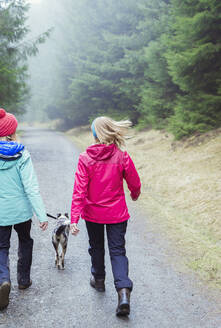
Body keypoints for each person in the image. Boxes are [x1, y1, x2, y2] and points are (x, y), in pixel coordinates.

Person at [70, 116, 141, 316]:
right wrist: (134, 195)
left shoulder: (85, 158)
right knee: (117, 251)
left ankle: (99, 280)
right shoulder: (122, 156)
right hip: (117, 213)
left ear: (94, 134)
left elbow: (79, 190)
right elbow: (135, 183)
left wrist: (74, 218)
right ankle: (124, 291)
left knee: (96, 247)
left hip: (93, 214)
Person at [0, 108, 48, 310]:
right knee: (25, 240)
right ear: (12, 132)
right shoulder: (22, 153)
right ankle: (23, 279)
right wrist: (42, 214)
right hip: (22, 211)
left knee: (1, 247)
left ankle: (3, 279)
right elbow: (31, 186)